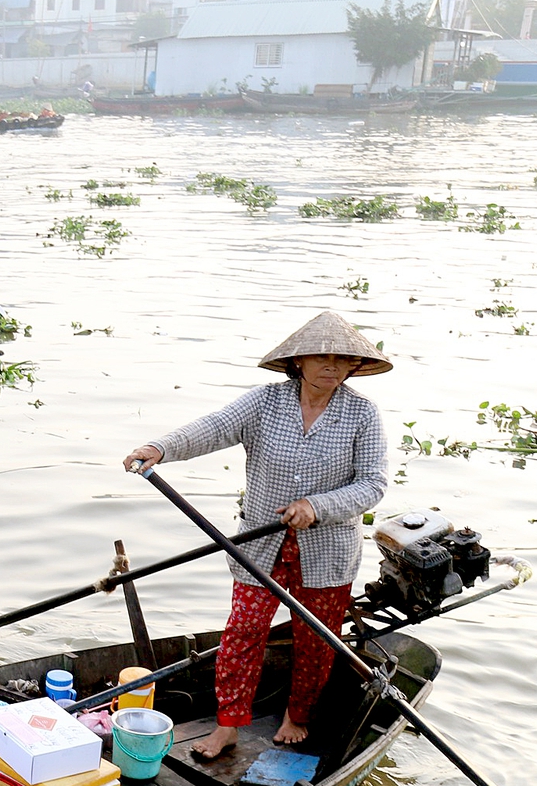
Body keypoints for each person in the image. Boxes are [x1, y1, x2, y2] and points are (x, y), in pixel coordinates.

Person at [122, 313, 388, 759]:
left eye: (342, 359)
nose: (332, 366)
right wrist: (160, 448)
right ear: (298, 361)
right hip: (260, 545)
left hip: (328, 551)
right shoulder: (266, 403)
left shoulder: (362, 413)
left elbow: (373, 484)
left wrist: (316, 507)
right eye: (321, 357)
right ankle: (227, 725)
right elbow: (211, 428)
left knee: (316, 638)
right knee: (243, 630)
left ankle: (297, 715)